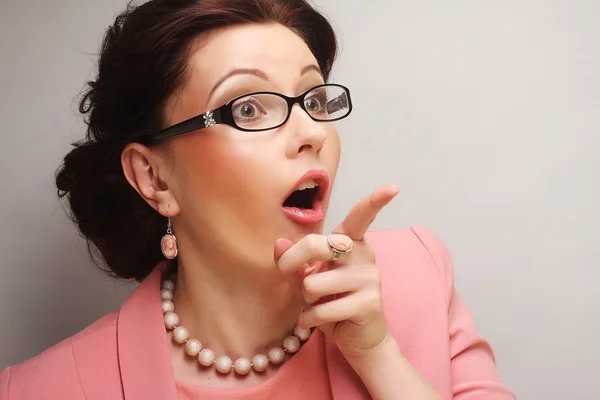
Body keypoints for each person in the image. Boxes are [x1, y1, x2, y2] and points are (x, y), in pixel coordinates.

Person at [0, 0, 516, 399]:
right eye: (247, 108)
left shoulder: (418, 276)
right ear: (154, 177)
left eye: (314, 98)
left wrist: (380, 357)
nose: (310, 131)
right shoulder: (41, 389)